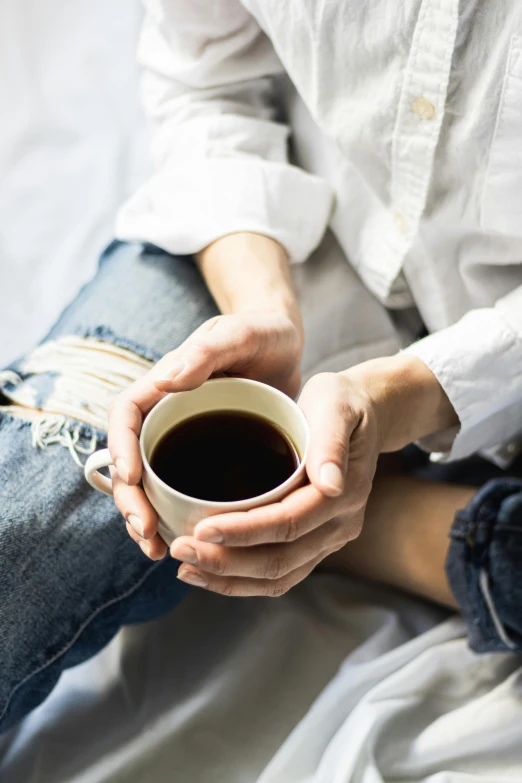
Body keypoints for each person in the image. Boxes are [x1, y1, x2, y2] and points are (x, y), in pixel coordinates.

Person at [1, 0, 522, 733]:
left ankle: (376, 521)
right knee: (17, 528)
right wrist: (260, 308)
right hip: (288, 237)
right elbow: (205, 75)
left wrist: (405, 394)